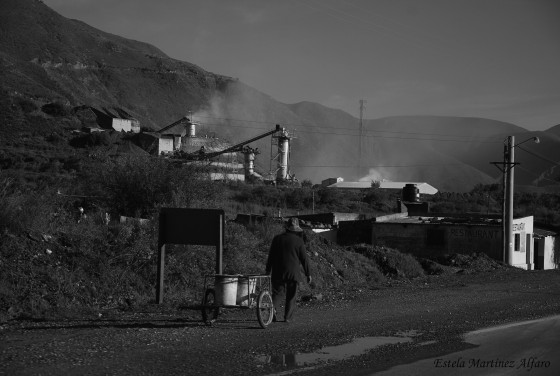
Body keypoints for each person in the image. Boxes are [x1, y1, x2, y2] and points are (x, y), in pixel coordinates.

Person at [266, 217, 312, 323]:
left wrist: (268, 270)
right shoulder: (299, 241)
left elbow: (271, 256)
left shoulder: (277, 239)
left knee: (278, 293)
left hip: (277, 271)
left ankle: (272, 309)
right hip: (293, 272)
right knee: (291, 295)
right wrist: (308, 274)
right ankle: (287, 317)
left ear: (287, 228)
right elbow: (304, 259)